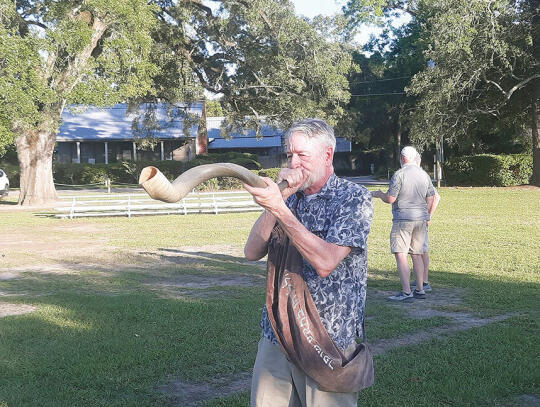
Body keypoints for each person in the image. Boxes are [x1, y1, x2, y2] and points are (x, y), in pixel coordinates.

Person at [243, 119, 373, 407]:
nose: (293, 162)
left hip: (327, 336)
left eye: (302, 155)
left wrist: (280, 208)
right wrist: (276, 203)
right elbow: (251, 252)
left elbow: (325, 262)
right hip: (277, 333)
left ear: (327, 155)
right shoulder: (288, 198)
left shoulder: (352, 198)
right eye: (289, 155)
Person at [371, 146, 435, 301]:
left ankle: (406, 292)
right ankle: (420, 288)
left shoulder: (399, 175)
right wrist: (426, 214)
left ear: (402, 158)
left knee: (401, 254)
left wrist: (379, 195)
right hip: (420, 219)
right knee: (417, 254)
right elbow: (431, 196)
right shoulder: (423, 174)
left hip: (403, 219)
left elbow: (390, 199)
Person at [410, 152, 441, 293]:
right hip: (418, 218)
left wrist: (428, 216)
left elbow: (435, 197)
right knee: (421, 250)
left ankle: (423, 282)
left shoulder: (420, 176)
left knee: (420, 251)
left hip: (419, 219)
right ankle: (422, 280)